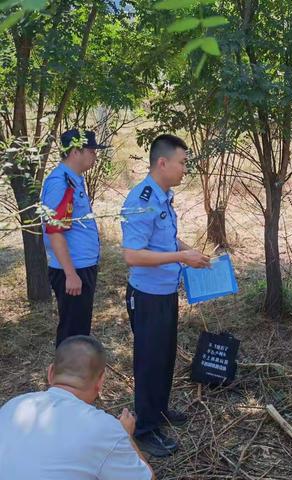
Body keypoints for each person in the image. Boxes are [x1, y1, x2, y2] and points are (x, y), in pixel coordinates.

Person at [121, 134, 210, 457]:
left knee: (164, 356)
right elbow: (132, 255)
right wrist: (181, 258)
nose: (185, 169)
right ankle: (144, 429)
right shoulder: (143, 199)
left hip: (165, 291)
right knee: (149, 361)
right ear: (163, 163)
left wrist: (190, 252)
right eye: (182, 162)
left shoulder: (163, 196)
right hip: (147, 295)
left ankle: (158, 411)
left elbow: (164, 241)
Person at [0, 335, 154, 479]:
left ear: (50, 372)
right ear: (101, 381)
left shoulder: (13, 405)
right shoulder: (104, 428)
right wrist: (125, 436)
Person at [41, 129, 104, 347]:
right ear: (76, 151)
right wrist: (70, 274)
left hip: (82, 265)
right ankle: (64, 377)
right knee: (72, 334)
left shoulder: (74, 179)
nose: (94, 156)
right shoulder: (60, 182)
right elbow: (55, 230)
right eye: (91, 151)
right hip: (73, 269)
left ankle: (75, 376)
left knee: (79, 330)